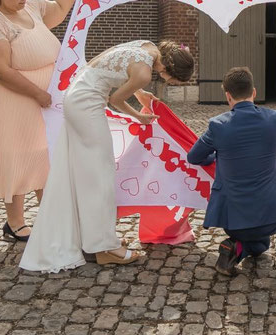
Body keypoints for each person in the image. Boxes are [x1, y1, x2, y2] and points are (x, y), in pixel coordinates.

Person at [19, 40, 194, 273]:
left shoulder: (147, 47)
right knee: (100, 175)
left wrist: (140, 93)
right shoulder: (144, 73)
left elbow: (112, 68)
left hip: (79, 96)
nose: (168, 82)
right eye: (172, 80)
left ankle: (94, 238)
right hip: (87, 104)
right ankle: (104, 247)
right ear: (167, 70)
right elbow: (116, 100)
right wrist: (139, 117)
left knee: (87, 173)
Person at [0, 0, 93, 242]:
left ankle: (51, 214)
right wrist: (36, 93)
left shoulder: (31, 6)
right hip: (15, 99)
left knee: (46, 156)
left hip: (43, 100)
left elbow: (58, 7)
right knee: (18, 156)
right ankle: (15, 222)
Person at [186, 67, 276, 276]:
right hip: (273, 216)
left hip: (234, 223)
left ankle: (236, 248)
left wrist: (217, 156)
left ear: (227, 95)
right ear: (254, 93)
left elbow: (193, 157)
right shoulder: (273, 119)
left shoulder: (217, 125)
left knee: (260, 244)